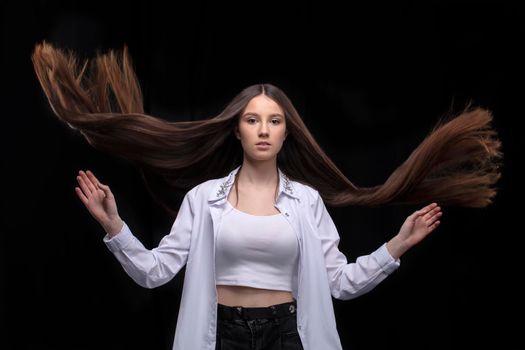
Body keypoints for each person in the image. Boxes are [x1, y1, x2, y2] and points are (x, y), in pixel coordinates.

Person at [32, 42, 502, 350]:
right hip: (219, 334)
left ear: (286, 133)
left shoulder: (307, 203)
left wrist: (398, 243)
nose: (263, 129)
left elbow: (340, 282)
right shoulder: (203, 199)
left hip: (288, 334)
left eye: (274, 121)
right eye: (253, 120)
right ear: (236, 130)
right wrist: (114, 226)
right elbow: (155, 273)